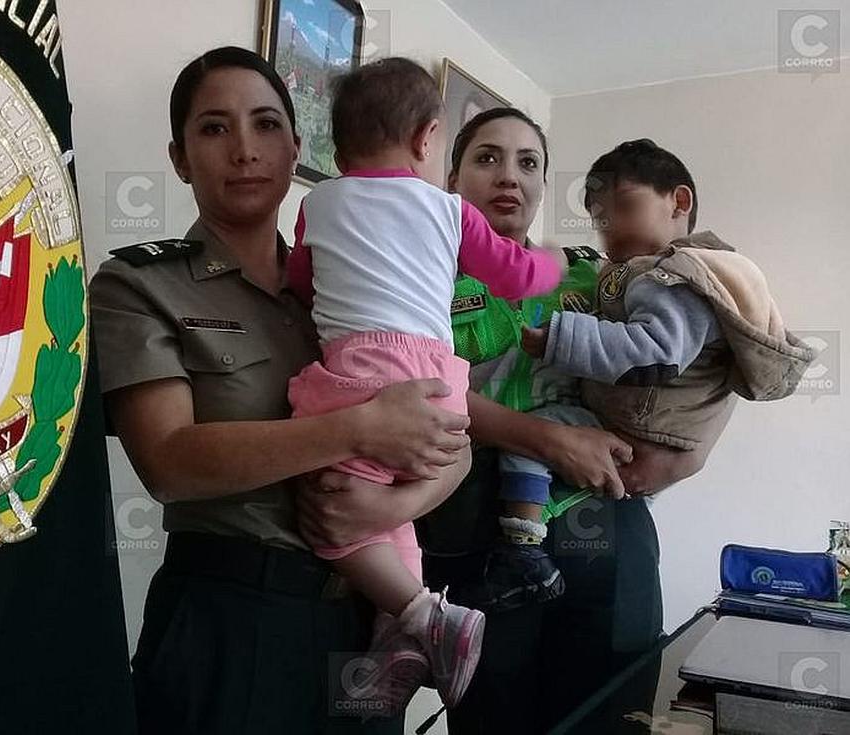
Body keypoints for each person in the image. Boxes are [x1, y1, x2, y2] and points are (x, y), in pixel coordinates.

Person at [88, 46, 475, 734]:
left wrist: (394, 501)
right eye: (214, 128)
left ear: (298, 150)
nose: (244, 149)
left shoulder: (352, 283)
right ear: (179, 158)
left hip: (366, 617)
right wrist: (358, 429)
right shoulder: (140, 286)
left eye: (266, 125)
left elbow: (451, 437)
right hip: (232, 619)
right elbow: (169, 462)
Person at [415, 109, 734, 734]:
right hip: (487, 537)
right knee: (493, 719)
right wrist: (551, 439)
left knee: (612, 717)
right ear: (453, 179)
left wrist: (691, 452)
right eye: (487, 158)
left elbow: (695, 365)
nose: (509, 176)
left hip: (610, 533)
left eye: (527, 162)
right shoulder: (419, 278)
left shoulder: (596, 275)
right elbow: (420, 395)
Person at [285, 57, 564, 712]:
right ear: (425, 138)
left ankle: (434, 617)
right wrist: (552, 266)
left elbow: (301, 281)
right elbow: (517, 277)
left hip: (361, 371)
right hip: (438, 379)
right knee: (400, 506)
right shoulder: (449, 210)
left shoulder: (318, 201)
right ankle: (404, 630)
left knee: (331, 507)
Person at [521, 138, 814, 463]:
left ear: (679, 202)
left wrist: (562, 337)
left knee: (530, 443)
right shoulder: (633, 270)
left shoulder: (675, 276)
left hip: (633, 430)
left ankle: (524, 515)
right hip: (632, 428)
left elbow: (657, 350)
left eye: (625, 206)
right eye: (600, 220)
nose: (611, 227)